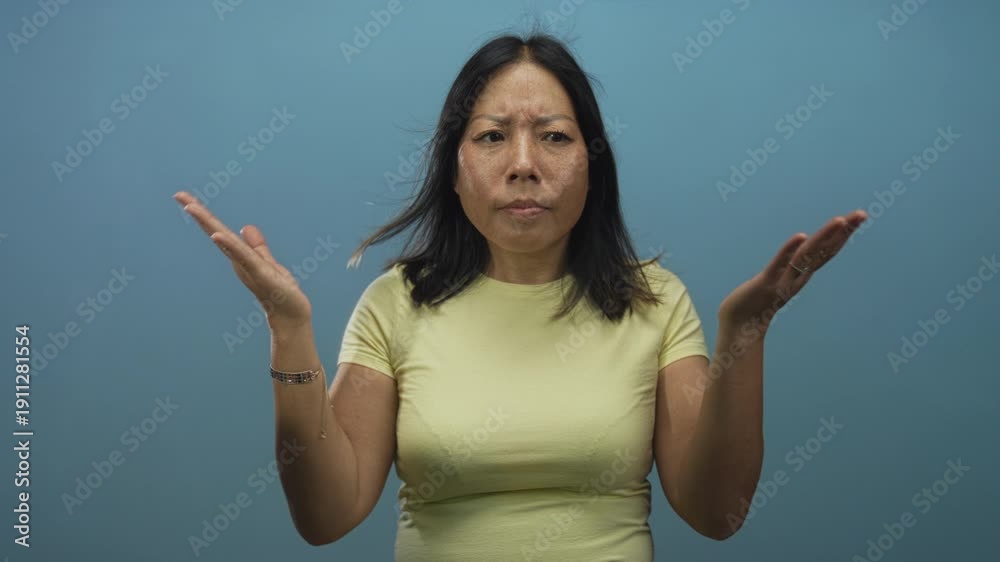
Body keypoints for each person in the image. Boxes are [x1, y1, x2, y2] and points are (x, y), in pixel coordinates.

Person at [174, 31, 867, 561]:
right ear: (454, 169)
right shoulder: (395, 304)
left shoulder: (653, 301)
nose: (524, 165)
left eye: (555, 137)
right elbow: (325, 518)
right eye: (492, 137)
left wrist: (745, 333)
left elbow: (718, 513)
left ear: (592, 166)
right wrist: (289, 331)